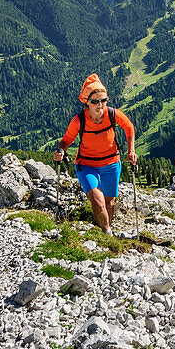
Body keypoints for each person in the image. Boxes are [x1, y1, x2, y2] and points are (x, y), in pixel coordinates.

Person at [55, 74, 137, 234]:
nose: (100, 105)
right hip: (87, 165)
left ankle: (106, 233)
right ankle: (107, 232)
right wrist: (61, 151)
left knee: (109, 203)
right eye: (95, 101)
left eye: (103, 100)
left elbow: (129, 127)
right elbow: (66, 140)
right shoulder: (79, 121)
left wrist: (131, 150)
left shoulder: (113, 114)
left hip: (112, 163)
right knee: (97, 201)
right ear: (87, 102)